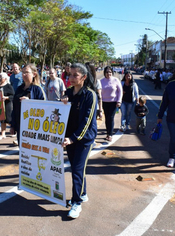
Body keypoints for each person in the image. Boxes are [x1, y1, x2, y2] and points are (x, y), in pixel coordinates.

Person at [61, 63, 97, 219]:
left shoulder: (90, 95)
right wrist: (61, 102)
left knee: (76, 169)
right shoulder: (68, 92)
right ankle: (83, 193)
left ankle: (76, 203)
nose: (71, 78)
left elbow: (87, 121)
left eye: (75, 75)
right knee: (78, 169)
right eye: (70, 75)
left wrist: (73, 138)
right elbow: (59, 114)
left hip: (84, 139)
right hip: (69, 138)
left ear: (84, 77)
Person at [10, 63, 46, 144]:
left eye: (26, 72)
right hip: (20, 125)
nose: (24, 74)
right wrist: (13, 125)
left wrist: (30, 102)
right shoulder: (19, 89)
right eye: (23, 72)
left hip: (33, 127)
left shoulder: (38, 89)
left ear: (34, 74)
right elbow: (15, 108)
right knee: (22, 150)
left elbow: (44, 108)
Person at [100, 66, 122, 142]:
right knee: (107, 118)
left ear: (112, 72)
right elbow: (99, 92)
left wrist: (119, 101)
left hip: (113, 102)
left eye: (110, 72)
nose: (108, 73)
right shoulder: (101, 81)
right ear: (104, 73)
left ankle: (110, 134)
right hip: (104, 102)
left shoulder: (116, 80)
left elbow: (120, 91)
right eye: (107, 72)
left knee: (111, 117)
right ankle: (107, 133)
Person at [0, 72, 14, 140]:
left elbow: (13, 95)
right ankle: (3, 134)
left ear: (5, 78)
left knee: (9, 119)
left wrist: (6, 97)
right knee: (2, 119)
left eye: (1, 77)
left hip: (7, 105)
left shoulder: (8, 86)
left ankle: (14, 130)